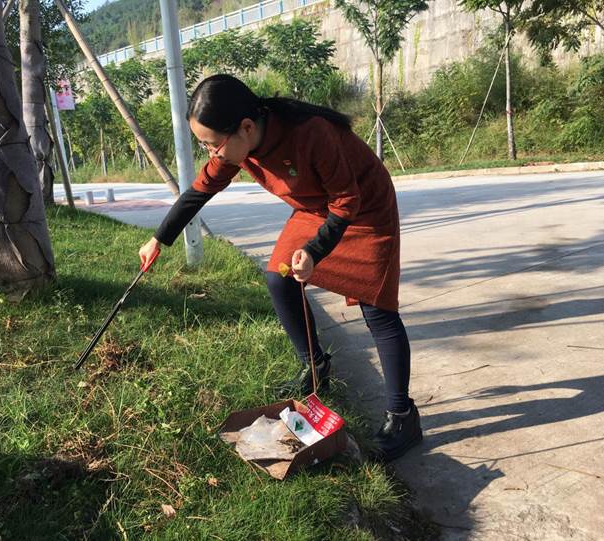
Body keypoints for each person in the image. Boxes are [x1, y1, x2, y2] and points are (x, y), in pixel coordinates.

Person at [138, 74, 421, 461]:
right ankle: (315, 366)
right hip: (313, 210)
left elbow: (346, 200)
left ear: (246, 127)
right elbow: (200, 190)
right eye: (204, 145)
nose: (211, 153)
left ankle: (403, 417)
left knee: (378, 310)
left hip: (365, 209)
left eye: (212, 144)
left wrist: (315, 251)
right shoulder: (238, 147)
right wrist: (159, 239)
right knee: (279, 278)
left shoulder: (312, 133)